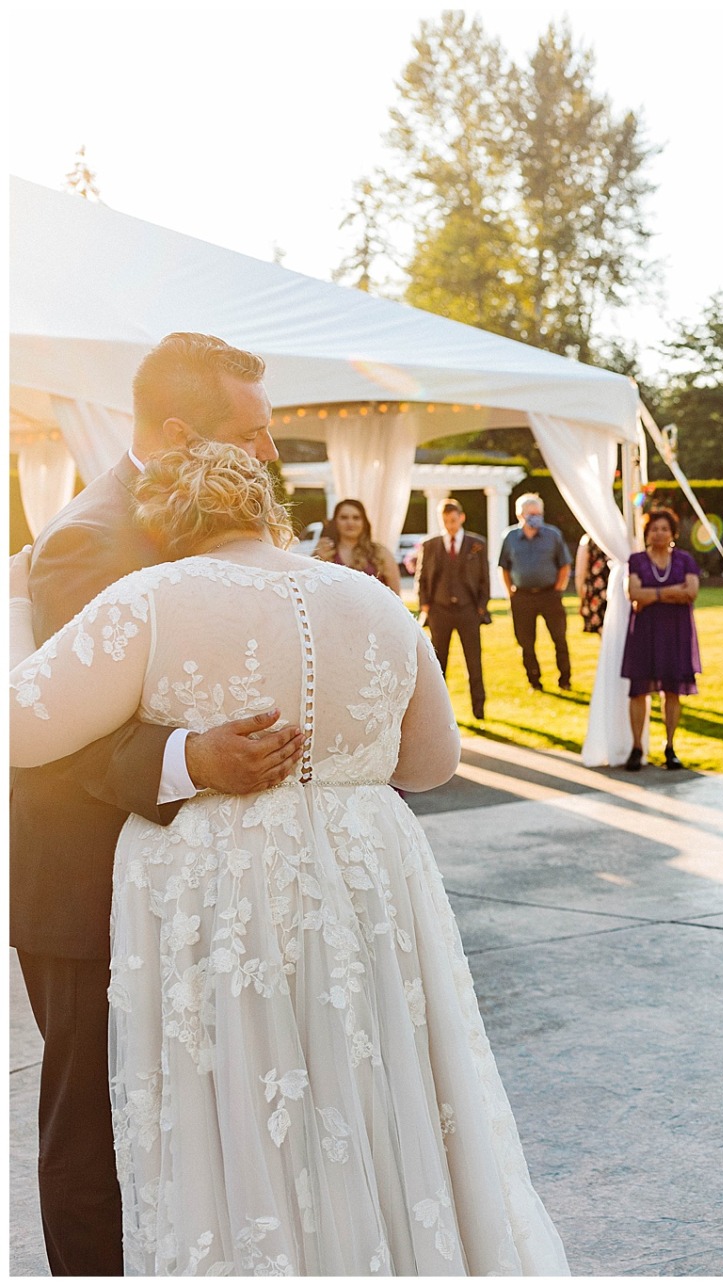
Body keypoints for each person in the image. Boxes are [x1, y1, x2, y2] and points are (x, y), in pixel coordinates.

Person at [10, 440, 570, 1274]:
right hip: (365, 884)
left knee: (240, 1107)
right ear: (270, 510)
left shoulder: (149, 597)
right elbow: (431, 762)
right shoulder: (374, 601)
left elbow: (22, 727)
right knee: (369, 1096)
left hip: (221, 890)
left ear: (167, 520)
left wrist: (15, 605)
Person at [8, 332, 306, 1276]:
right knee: (91, 1120)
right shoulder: (88, 542)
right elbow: (71, 729)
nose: (268, 455)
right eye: (253, 435)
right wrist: (195, 758)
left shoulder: (205, 521)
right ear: (180, 433)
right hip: (81, 886)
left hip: (186, 878)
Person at [623, 508, 701, 772]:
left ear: (673, 533)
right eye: (654, 528)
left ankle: (670, 746)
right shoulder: (636, 560)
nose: (659, 533)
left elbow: (691, 592)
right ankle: (636, 747)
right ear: (647, 532)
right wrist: (670, 592)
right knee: (639, 690)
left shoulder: (685, 560)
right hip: (644, 631)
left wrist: (651, 595)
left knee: (672, 690)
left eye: (664, 528)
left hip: (675, 631)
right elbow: (633, 593)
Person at [417, 498, 492, 721]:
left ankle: (479, 710)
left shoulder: (476, 544)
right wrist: (425, 606)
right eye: (445, 521)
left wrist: (481, 607)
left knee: (474, 660)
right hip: (440, 611)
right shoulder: (431, 545)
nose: (449, 525)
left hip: (468, 610)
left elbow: (484, 578)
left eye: (453, 520)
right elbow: (421, 578)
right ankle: (438, 713)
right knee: (438, 664)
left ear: (461, 518)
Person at [498, 493, 572, 693]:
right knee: (526, 642)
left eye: (538, 513)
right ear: (520, 514)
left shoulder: (553, 535)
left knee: (559, 638)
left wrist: (558, 589)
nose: (536, 517)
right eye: (531, 513)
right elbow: (503, 567)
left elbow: (565, 565)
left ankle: (565, 679)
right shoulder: (510, 537)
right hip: (522, 596)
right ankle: (534, 681)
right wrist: (510, 592)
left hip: (549, 595)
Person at [311, 496, 401, 593]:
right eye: (344, 518)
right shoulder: (325, 551)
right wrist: (316, 558)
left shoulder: (381, 553)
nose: (350, 522)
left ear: (364, 522)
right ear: (335, 521)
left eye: (356, 518)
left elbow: (396, 595)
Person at [576, 534, 612, 634]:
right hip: (616, 592)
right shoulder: (620, 536)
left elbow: (580, 573)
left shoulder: (588, 540)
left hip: (596, 595)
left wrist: (581, 598)